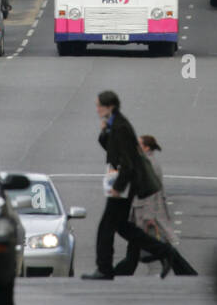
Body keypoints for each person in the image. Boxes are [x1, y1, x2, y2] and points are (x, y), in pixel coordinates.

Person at [81, 90, 195, 280]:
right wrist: (103, 131)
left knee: (106, 227)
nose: (97, 109)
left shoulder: (120, 126)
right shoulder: (114, 125)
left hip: (124, 185)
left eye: (99, 105)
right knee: (123, 227)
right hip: (125, 183)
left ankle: (105, 269)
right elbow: (112, 150)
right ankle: (164, 252)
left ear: (110, 106)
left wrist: (118, 187)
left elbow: (127, 161)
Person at [114, 135, 189, 276]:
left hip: (146, 212)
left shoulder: (149, 164)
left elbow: (150, 192)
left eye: (139, 144)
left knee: (146, 245)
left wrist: (149, 217)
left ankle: (185, 270)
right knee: (137, 248)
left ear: (146, 147)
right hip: (142, 211)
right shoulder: (145, 162)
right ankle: (119, 272)